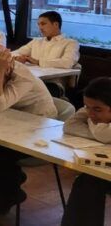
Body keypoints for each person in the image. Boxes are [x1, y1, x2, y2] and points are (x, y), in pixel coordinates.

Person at [0, 48, 57, 215]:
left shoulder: (23, 76)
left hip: (40, 125)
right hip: (11, 120)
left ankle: (9, 193)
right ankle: (11, 184)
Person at [61, 77, 111, 226]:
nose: (91, 114)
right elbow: (69, 126)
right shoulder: (94, 110)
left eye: (97, 109)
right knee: (87, 181)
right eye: (86, 107)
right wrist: (97, 129)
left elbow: (103, 134)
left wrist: (95, 129)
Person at [14, 11, 79, 69]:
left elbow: (67, 62)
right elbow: (18, 52)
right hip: (32, 76)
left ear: (56, 24)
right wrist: (17, 58)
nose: (40, 28)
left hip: (52, 78)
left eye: (43, 24)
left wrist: (38, 62)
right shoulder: (36, 41)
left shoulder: (71, 43)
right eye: (39, 24)